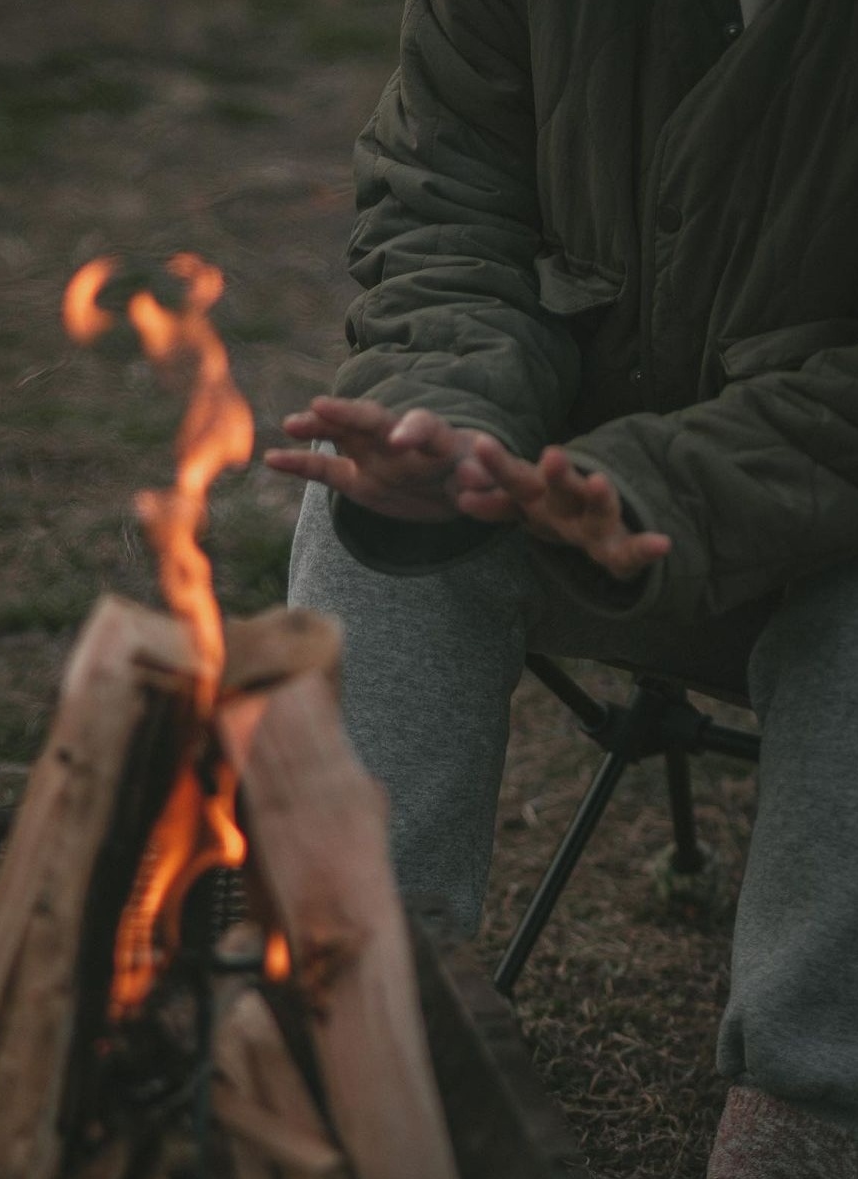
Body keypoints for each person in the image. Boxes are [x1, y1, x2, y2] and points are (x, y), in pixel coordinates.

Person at [263, 0, 858, 1174]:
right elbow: (444, 209)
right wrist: (448, 422)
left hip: (814, 520)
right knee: (368, 500)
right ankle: (367, 1023)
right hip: (559, 479)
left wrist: (650, 487)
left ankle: (809, 1108)